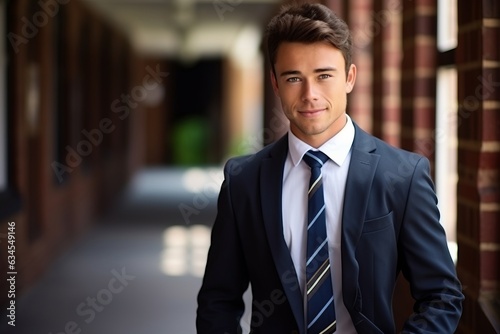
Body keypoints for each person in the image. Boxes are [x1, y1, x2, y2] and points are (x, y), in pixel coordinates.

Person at [196, 3, 464, 333]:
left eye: (324, 76)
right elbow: (217, 301)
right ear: (276, 84)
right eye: (294, 78)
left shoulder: (402, 176)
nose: (310, 95)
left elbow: (441, 295)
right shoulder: (243, 181)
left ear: (350, 77)